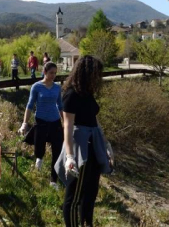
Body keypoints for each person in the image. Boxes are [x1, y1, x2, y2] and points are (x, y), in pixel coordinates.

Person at [55, 55, 113, 227]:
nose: (99, 78)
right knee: (74, 197)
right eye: (96, 74)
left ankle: (87, 224)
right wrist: (70, 157)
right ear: (87, 72)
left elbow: (95, 121)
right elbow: (67, 126)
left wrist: (107, 145)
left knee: (90, 193)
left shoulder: (88, 93)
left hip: (94, 148)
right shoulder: (71, 94)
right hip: (81, 150)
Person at [18, 62, 63, 189]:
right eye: (51, 73)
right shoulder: (36, 87)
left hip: (55, 121)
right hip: (41, 120)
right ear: (45, 72)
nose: (53, 75)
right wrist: (24, 123)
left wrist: (65, 122)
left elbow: (60, 106)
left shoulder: (57, 88)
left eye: (55, 73)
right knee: (39, 146)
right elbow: (30, 105)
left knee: (57, 150)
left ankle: (53, 180)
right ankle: (39, 158)